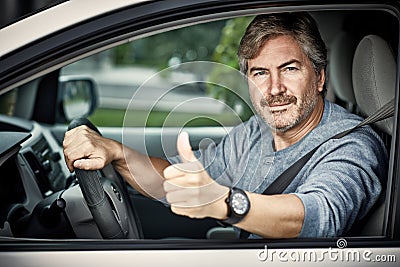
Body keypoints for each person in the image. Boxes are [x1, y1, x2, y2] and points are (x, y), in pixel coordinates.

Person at [63, 12, 387, 238]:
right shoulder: (255, 133)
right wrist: (116, 153)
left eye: (289, 69)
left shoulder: (353, 144)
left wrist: (224, 203)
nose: (274, 89)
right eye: (260, 73)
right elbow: (179, 183)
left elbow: (320, 214)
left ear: (319, 77)